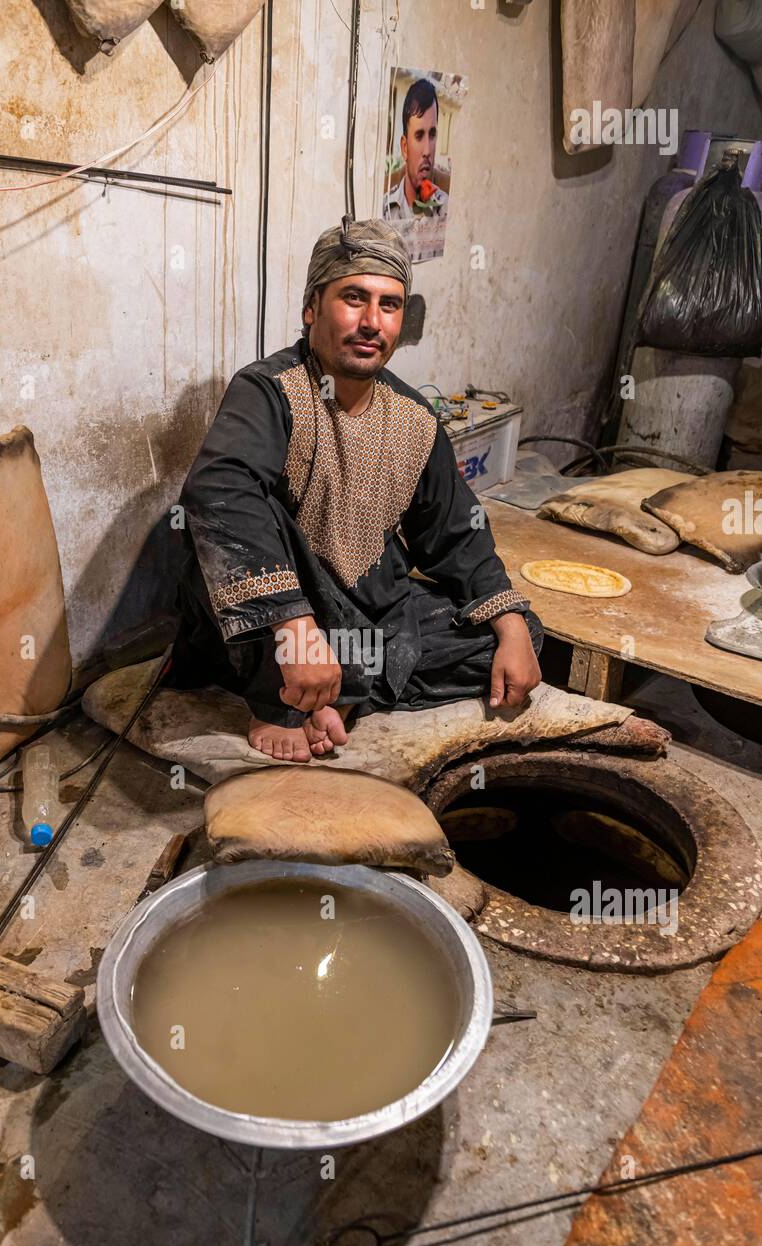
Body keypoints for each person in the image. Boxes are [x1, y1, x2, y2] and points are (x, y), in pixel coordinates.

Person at [169, 215, 543, 762]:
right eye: (353, 298)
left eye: (389, 305)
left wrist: (509, 625)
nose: (372, 321)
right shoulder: (268, 391)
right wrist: (297, 631)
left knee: (518, 638)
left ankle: (336, 693)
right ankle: (286, 698)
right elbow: (218, 493)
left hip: (363, 622)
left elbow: (458, 537)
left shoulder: (415, 419)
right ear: (311, 308)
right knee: (232, 518)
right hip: (281, 625)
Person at [383, 77, 449, 222]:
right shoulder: (384, 211)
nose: (427, 151)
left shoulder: (447, 209)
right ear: (405, 148)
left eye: (432, 134)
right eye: (419, 136)